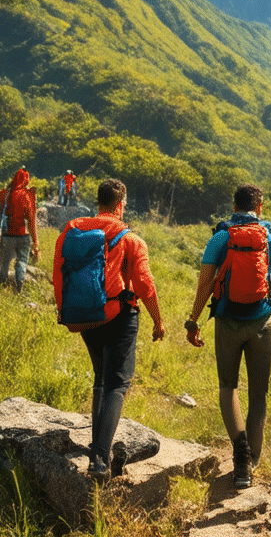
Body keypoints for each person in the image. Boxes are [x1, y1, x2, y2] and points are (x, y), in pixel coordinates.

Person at [52, 178, 166, 482]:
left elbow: (58, 273)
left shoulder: (72, 232)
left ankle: (96, 442)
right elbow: (145, 284)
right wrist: (158, 320)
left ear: (98, 201)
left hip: (85, 314)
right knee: (118, 383)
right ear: (120, 204)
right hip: (120, 316)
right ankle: (99, 460)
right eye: (124, 204)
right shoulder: (130, 239)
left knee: (100, 377)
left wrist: (65, 308)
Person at [185, 184, 271, 489]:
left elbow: (205, 283)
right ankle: (253, 459)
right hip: (261, 324)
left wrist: (193, 320)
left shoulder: (220, 238)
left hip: (227, 323)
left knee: (228, 387)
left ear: (234, 206)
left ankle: (239, 451)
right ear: (259, 207)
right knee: (258, 395)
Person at [1, 167, 39, 292]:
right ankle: (18, 288)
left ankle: (2, 286)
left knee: (4, 262)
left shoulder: (3, 194)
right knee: (22, 261)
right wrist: (35, 242)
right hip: (23, 236)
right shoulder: (27, 196)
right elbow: (32, 222)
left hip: (7, 236)